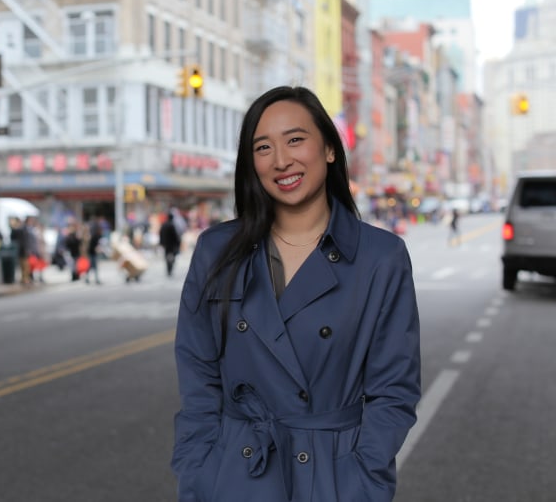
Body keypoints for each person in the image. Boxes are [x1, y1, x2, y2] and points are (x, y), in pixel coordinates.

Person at [171, 86, 421, 502]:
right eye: (263, 146)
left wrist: (364, 478)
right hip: (236, 472)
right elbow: (198, 377)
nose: (281, 160)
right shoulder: (217, 251)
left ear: (328, 149)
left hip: (333, 476)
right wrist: (197, 470)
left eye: (295, 139)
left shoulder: (381, 257)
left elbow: (395, 390)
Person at [159, 212, 182, 277]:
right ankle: (170, 269)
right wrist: (178, 242)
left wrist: (161, 242)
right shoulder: (172, 225)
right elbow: (175, 235)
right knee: (172, 257)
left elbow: (160, 234)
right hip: (171, 245)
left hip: (166, 244)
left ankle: (168, 269)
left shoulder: (164, 224)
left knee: (167, 257)